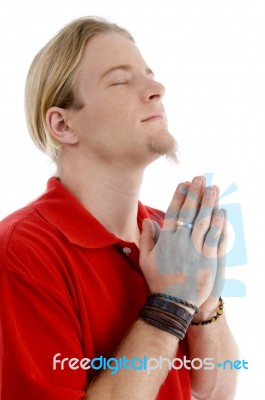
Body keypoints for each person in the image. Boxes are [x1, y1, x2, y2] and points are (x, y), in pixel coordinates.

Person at [0, 16, 238, 399]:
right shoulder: (23, 251)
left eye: (149, 75)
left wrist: (204, 303)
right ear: (63, 124)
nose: (157, 89)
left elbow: (215, 387)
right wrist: (171, 302)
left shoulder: (168, 233)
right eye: (120, 81)